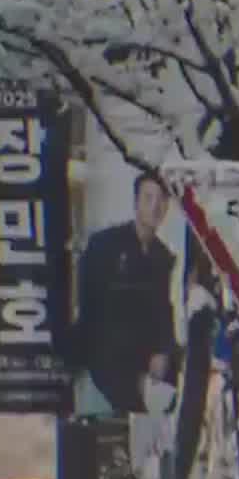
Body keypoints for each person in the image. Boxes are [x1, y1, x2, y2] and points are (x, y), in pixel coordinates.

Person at [68, 170, 180, 418]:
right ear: (135, 203)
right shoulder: (105, 244)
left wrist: (162, 351)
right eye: (148, 199)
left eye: (161, 200)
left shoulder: (163, 256)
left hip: (146, 352)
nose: (155, 207)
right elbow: (89, 305)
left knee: (175, 376)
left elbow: (163, 310)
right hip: (106, 349)